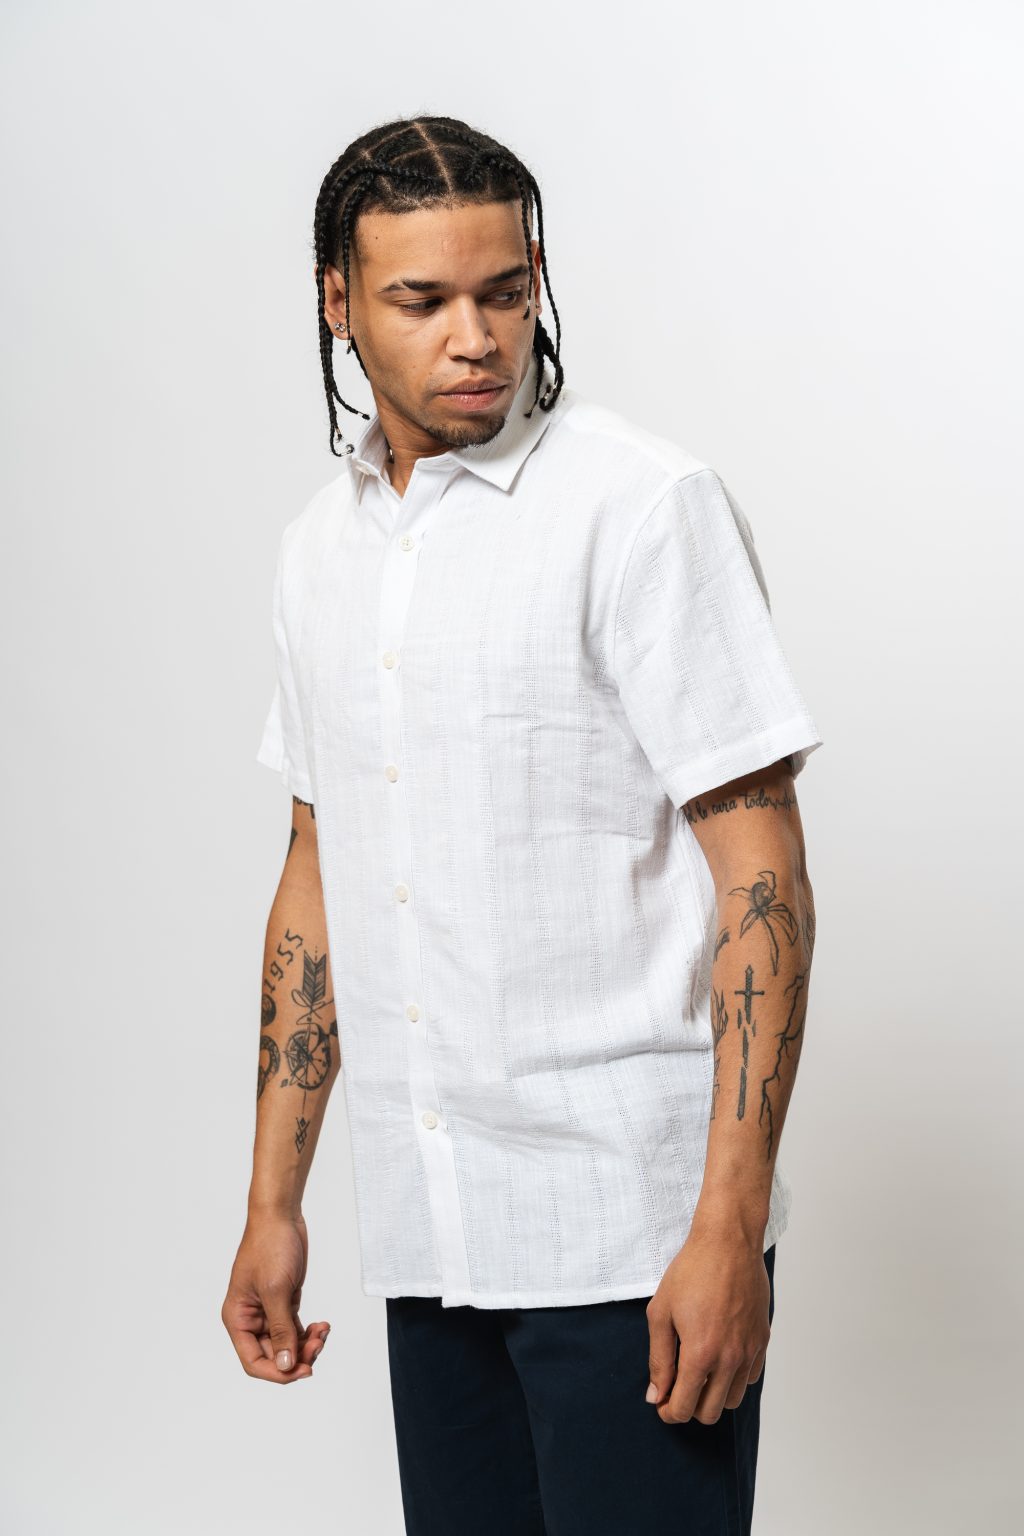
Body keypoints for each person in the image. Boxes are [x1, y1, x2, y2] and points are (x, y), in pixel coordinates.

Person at [221, 114, 822, 1535]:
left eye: (504, 291)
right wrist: (274, 1203)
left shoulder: (640, 507)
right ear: (337, 302)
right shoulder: (319, 552)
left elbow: (763, 876)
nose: (475, 338)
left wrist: (729, 1228)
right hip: (432, 1233)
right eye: (422, 301)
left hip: (633, 1239)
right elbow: (317, 871)